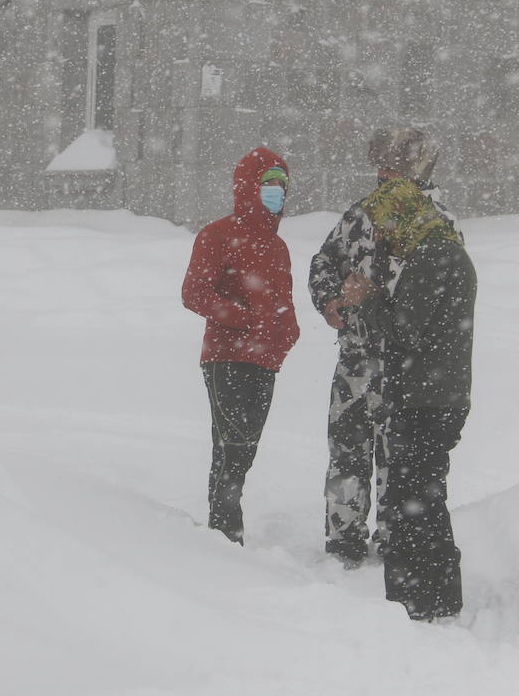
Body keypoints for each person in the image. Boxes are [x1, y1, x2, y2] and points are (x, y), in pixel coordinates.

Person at [307, 127, 455, 567]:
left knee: (399, 458)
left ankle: (395, 538)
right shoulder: (361, 215)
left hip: (407, 365)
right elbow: (324, 261)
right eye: (380, 166)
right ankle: (344, 539)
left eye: (393, 167)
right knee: (347, 452)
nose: (383, 175)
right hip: (356, 358)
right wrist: (329, 299)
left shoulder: (436, 224)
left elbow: (437, 298)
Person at [340, 175, 475, 621]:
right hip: (435, 396)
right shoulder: (441, 249)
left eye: (386, 224)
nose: (383, 236)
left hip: (426, 400)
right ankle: (433, 596)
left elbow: (404, 329)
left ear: (404, 215)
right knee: (421, 497)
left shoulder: (434, 254)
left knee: (412, 502)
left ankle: (417, 601)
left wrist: (364, 298)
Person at [181, 147, 300, 545]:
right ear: (249, 187)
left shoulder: (278, 247)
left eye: (282, 185)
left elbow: (284, 301)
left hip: (265, 361)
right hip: (226, 356)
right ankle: (226, 528)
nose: (276, 193)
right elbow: (194, 292)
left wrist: (286, 335)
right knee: (234, 442)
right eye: (269, 184)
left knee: (244, 445)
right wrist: (243, 320)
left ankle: (224, 526)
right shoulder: (217, 235)